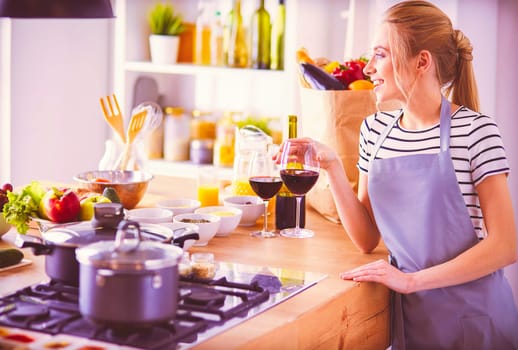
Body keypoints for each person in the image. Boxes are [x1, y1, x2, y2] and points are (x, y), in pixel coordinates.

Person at [290, 1, 518, 349]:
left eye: (380, 55)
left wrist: (412, 281)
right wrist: (333, 166)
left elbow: (505, 245)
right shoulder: (374, 131)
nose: (367, 69)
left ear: (421, 61)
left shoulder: (475, 131)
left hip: (475, 321)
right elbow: (367, 237)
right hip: (410, 321)